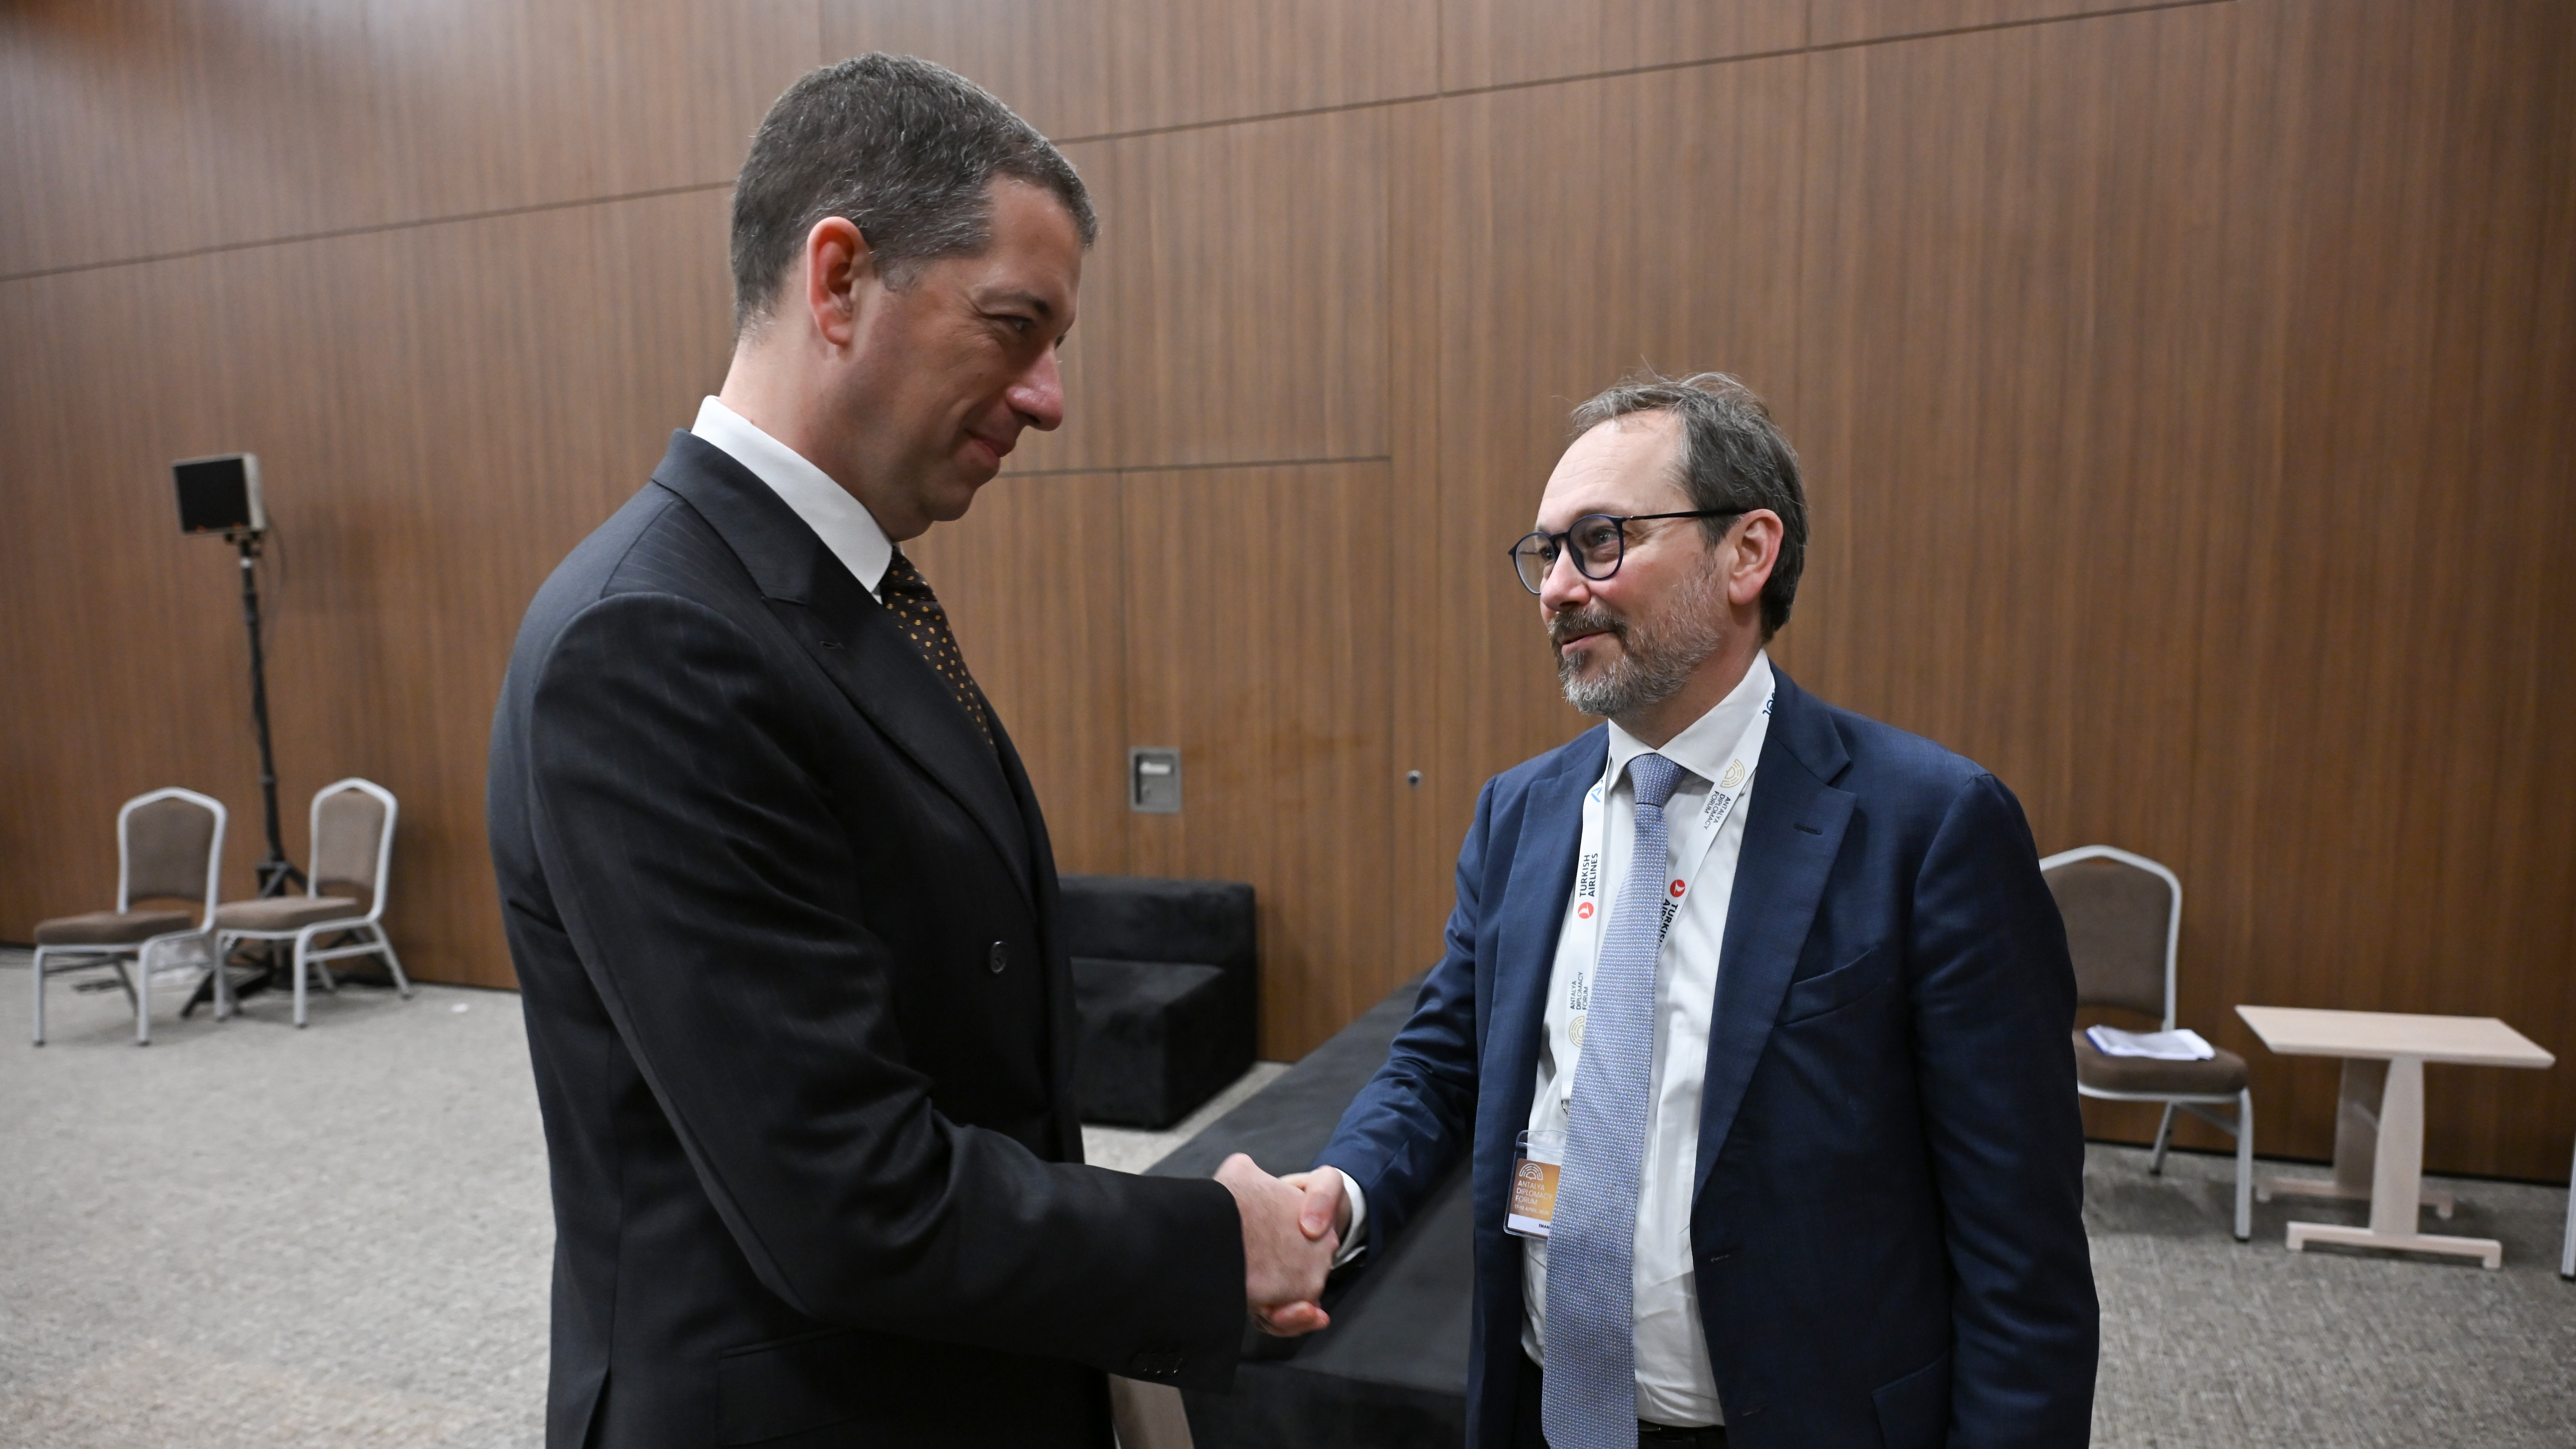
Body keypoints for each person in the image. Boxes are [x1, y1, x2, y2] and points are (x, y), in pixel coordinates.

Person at [486, 55, 1333, 1449]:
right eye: (1014, 326)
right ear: (838, 281)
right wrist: (1208, 1243)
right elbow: (843, 1197)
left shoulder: (827, 596)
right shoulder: (651, 638)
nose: (1049, 398)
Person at [1282, 374, 2099, 1447]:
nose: (1557, 589)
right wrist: (1337, 1197)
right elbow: (1444, 1064)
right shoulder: (1520, 814)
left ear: (1746, 554)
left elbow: (2021, 1254)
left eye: (1600, 542)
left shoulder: (1931, 829)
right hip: (1545, 1412)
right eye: (1546, 554)